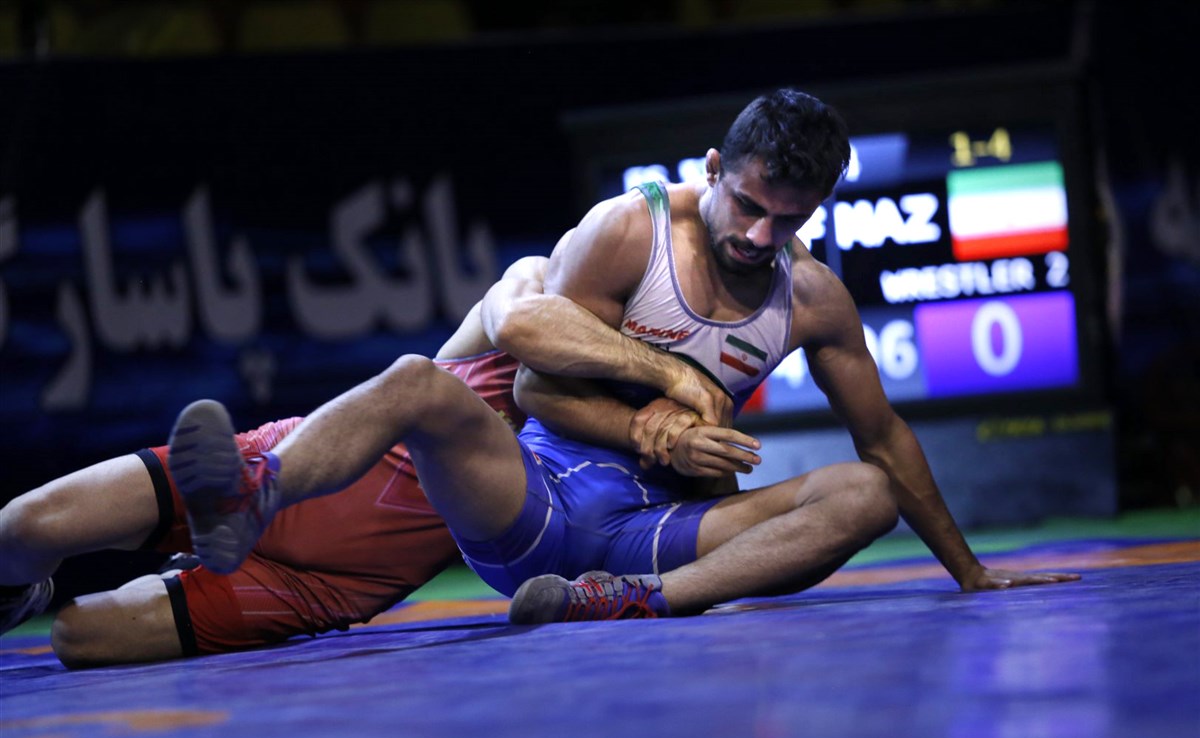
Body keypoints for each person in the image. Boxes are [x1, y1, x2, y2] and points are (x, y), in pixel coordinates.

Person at [165, 87, 1079, 627]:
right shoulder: (629, 231)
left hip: (656, 539)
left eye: (790, 220)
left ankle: (638, 601)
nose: (760, 235)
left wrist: (968, 569)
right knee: (416, 380)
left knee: (865, 494)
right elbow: (533, 384)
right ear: (713, 167)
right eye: (749, 205)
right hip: (534, 497)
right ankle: (256, 493)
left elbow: (884, 437)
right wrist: (663, 409)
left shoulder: (811, 296)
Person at [0, 247, 731, 667]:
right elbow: (517, 319)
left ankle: (182, 568)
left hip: (327, 585)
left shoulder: (649, 428)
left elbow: (706, 519)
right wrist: (665, 372)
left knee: (78, 636)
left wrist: (688, 422)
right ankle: (18, 590)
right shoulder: (535, 291)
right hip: (265, 469)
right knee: (24, 528)